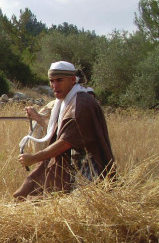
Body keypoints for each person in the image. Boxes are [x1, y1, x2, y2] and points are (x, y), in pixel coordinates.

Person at [13, 61, 115, 200]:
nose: (54, 86)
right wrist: (37, 117)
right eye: (51, 81)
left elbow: (65, 142)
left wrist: (34, 158)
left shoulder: (80, 105)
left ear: (72, 80)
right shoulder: (66, 101)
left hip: (88, 171)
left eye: (59, 80)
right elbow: (60, 130)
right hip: (72, 168)